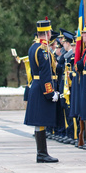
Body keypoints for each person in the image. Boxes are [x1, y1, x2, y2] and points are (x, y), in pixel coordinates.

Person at [24, 18, 61, 163]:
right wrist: (50, 92)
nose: (51, 33)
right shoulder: (43, 50)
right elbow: (45, 74)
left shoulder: (34, 47)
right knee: (40, 121)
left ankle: (42, 153)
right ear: (46, 32)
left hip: (36, 86)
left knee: (39, 122)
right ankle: (42, 153)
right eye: (50, 31)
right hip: (41, 88)